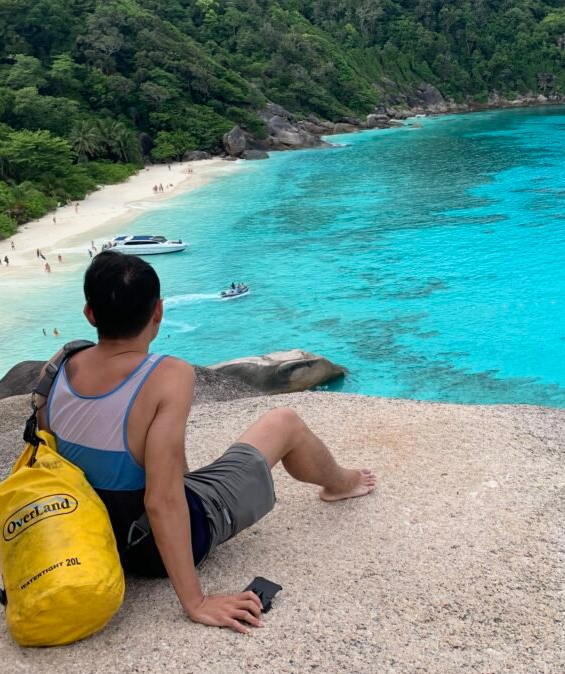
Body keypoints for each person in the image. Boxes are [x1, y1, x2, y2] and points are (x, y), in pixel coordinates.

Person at [35, 252, 375, 632]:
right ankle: (341, 484)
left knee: (157, 450)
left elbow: (54, 459)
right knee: (284, 422)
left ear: (89, 314)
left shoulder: (60, 363)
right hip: (147, 549)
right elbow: (162, 500)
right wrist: (195, 601)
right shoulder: (168, 375)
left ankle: (333, 482)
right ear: (158, 312)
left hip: (88, 533)